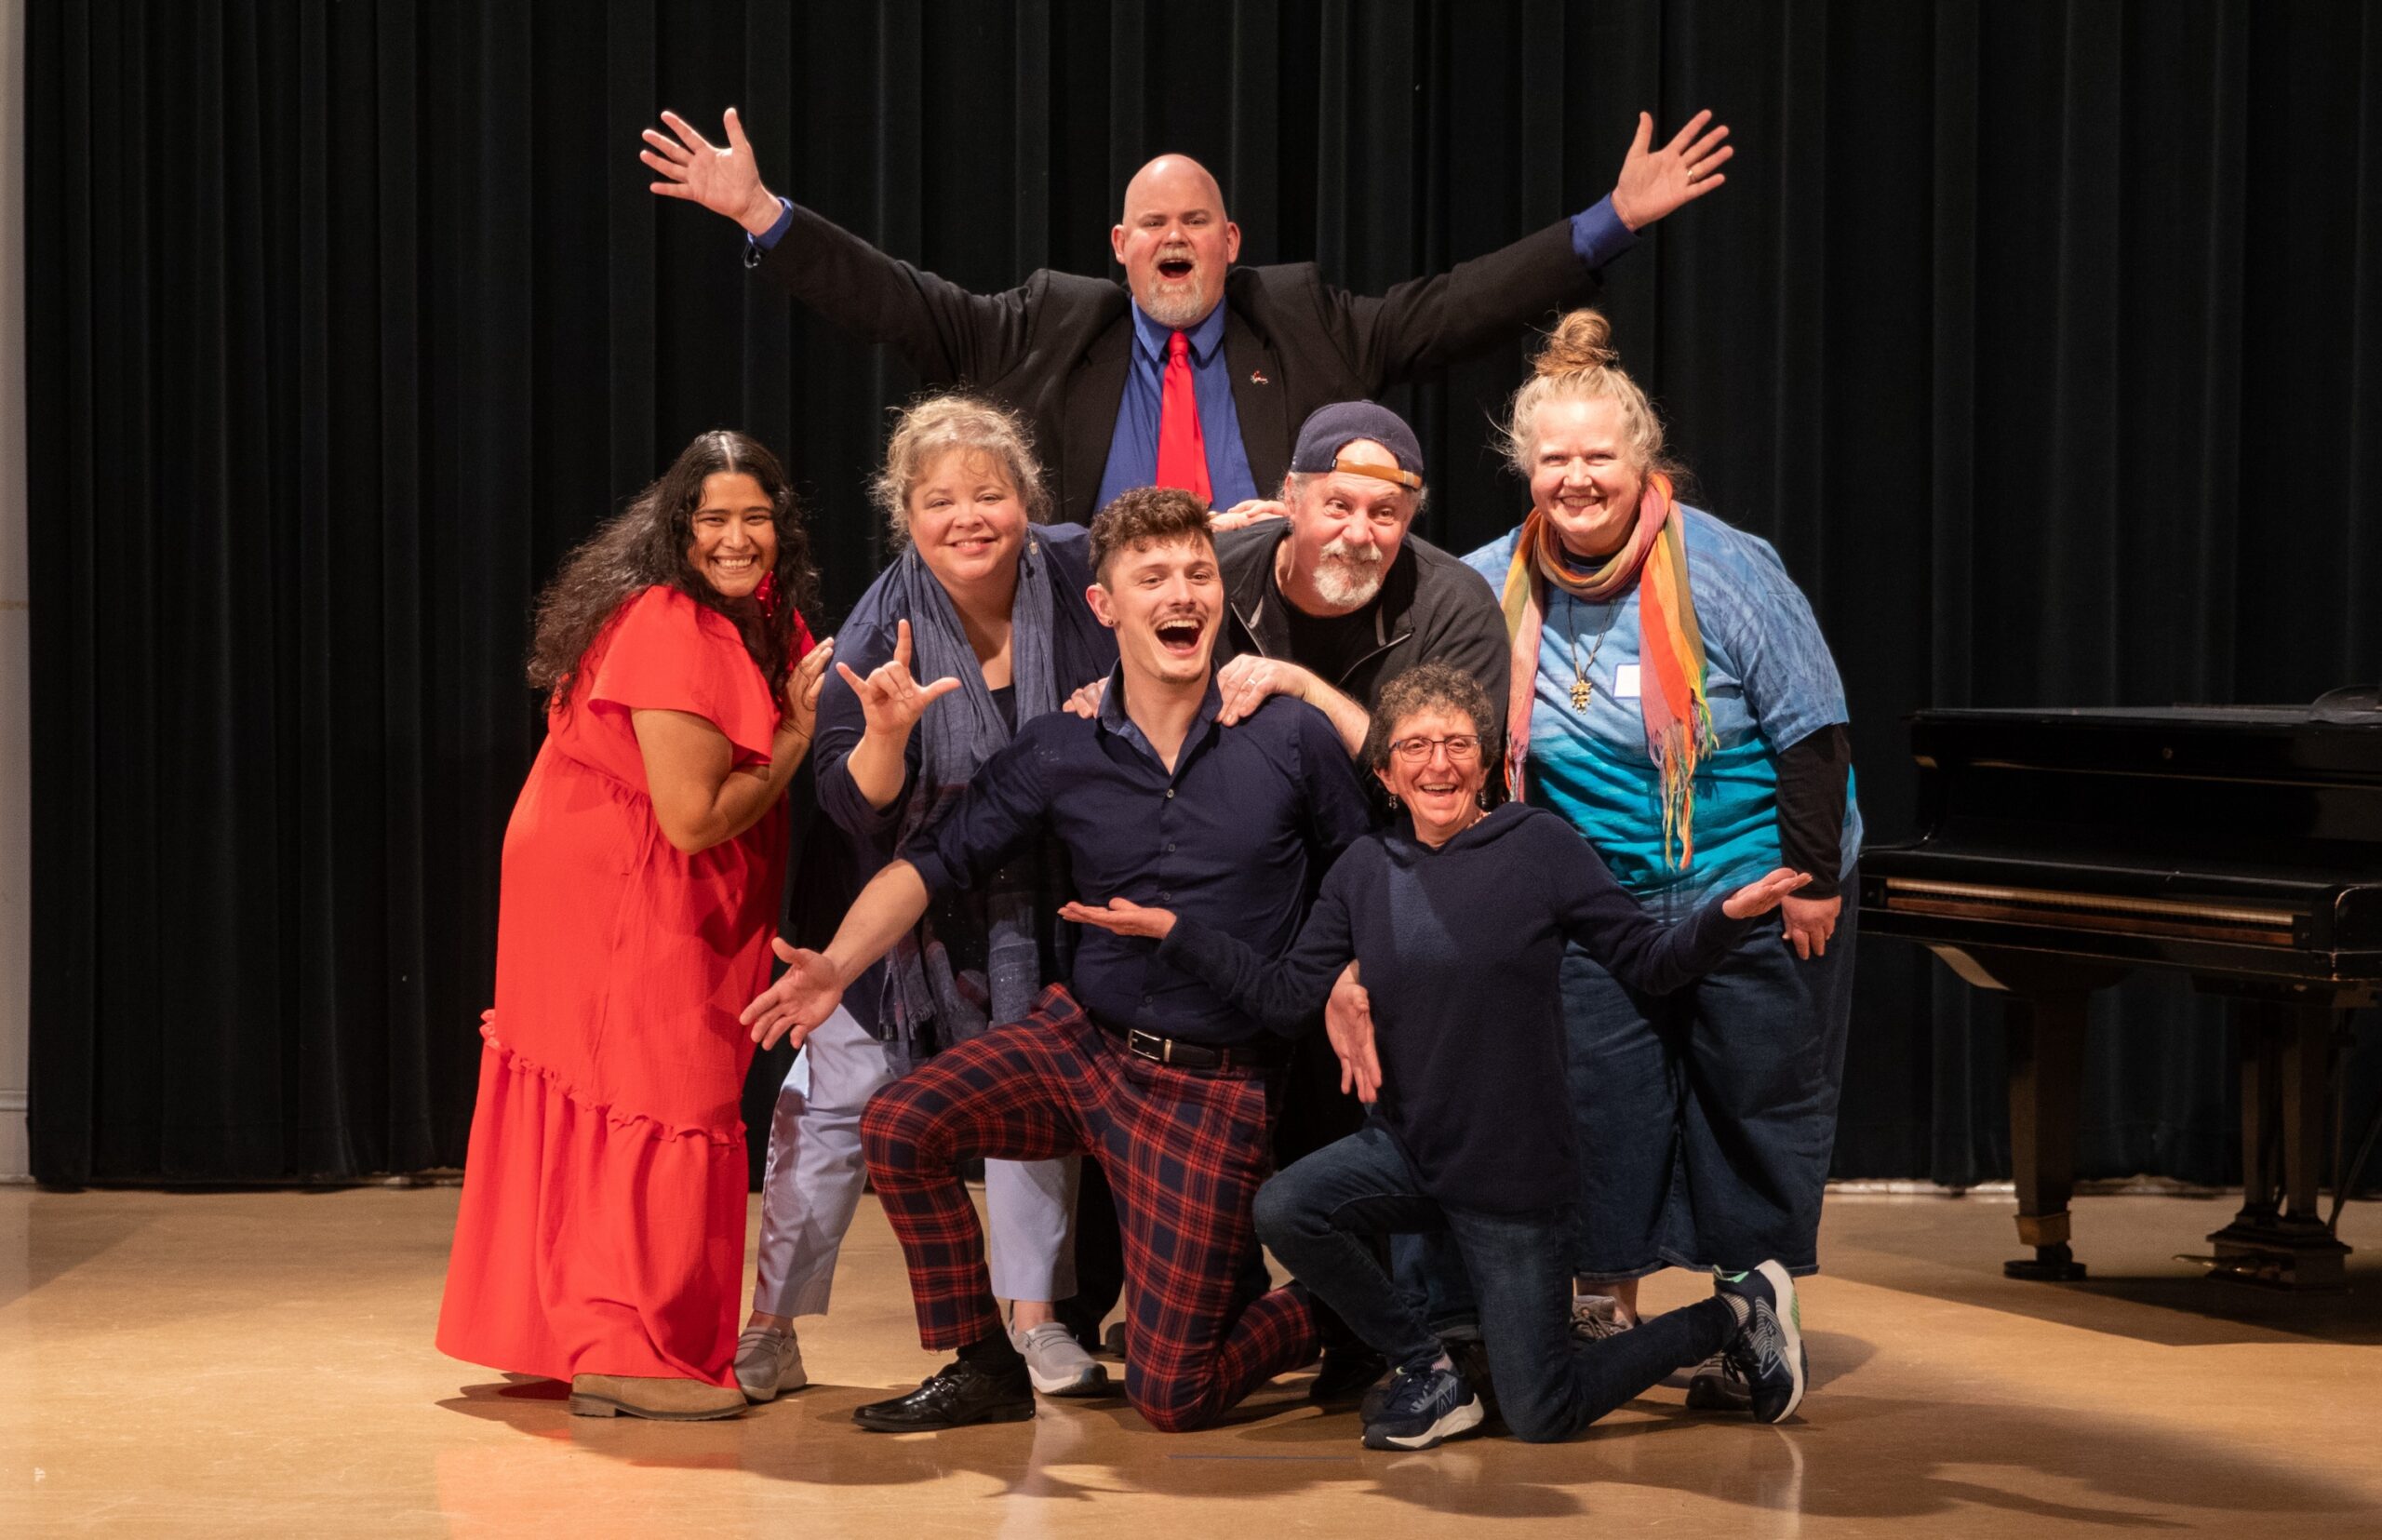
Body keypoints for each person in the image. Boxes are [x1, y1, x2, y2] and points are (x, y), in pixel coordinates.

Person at [740, 487, 1374, 1434]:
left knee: (1174, 1393)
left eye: (1198, 573)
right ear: (1104, 605)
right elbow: (931, 860)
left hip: (1210, 1083)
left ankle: (1341, 1303)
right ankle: (982, 1360)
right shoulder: (1062, 745)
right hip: (1083, 1044)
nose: (1183, 593)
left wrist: (1350, 974)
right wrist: (834, 965)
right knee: (901, 1123)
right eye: (1152, 576)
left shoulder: (1286, 735)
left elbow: (1361, 867)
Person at [1059, 663, 1813, 1448]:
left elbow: (1649, 963)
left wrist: (1725, 916)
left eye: (1457, 743)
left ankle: (1734, 1312)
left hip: (1514, 1179)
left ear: (1484, 764)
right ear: (1386, 773)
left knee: (1541, 1413)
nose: (1438, 763)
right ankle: (1428, 1365)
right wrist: (1176, 932)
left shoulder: (1539, 845)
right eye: (1415, 746)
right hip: (1410, 1155)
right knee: (1287, 1207)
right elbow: (1286, 998)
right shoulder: (1363, 869)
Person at [640, 109, 1733, 521]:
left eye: (1195, 221)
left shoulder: (1301, 320)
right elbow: (894, 298)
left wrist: (1611, 220)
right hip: (1091, 637)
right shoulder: (1047, 323)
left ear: (1228, 240)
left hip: (1268, 631)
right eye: (1153, 223)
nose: (1174, 237)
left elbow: (1456, 307)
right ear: (1121, 246)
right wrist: (764, 214)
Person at [1461, 310, 1860, 1406]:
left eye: (1599, 455)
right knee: (1602, 1105)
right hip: (1604, 902)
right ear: (1525, 466)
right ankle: (1606, 1310)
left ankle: (1754, 1315)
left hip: (1755, 877)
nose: (1577, 479)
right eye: (1555, 459)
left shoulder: (1726, 567)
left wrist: (1811, 882)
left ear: (1643, 458)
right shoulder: (1488, 582)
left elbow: (1812, 732)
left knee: (1750, 1100)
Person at [436, 431, 833, 1421]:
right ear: (677, 527)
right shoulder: (669, 623)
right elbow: (693, 818)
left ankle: (568, 1331)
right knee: (657, 1082)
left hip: (620, 862)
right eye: (713, 518)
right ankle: (626, 1346)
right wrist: (794, 735)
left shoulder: (755, 613)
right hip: (623, 879)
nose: (736, 537)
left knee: (616, 1083)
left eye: (755, 517)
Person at [735, 395, 1117, 1405]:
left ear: (1027, 500)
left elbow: (1172, 559)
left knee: (1032, 1102)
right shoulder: (878, 627)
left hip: (1040, 901)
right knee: (831, 1107)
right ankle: (772, 1324)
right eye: (940, 500)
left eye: (988, 494)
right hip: (891, 916)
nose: (968, 518)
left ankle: (1035, 1321)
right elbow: (846, 803)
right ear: (905, 515)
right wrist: (889, 737)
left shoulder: (1079, 571)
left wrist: (1249, 531)